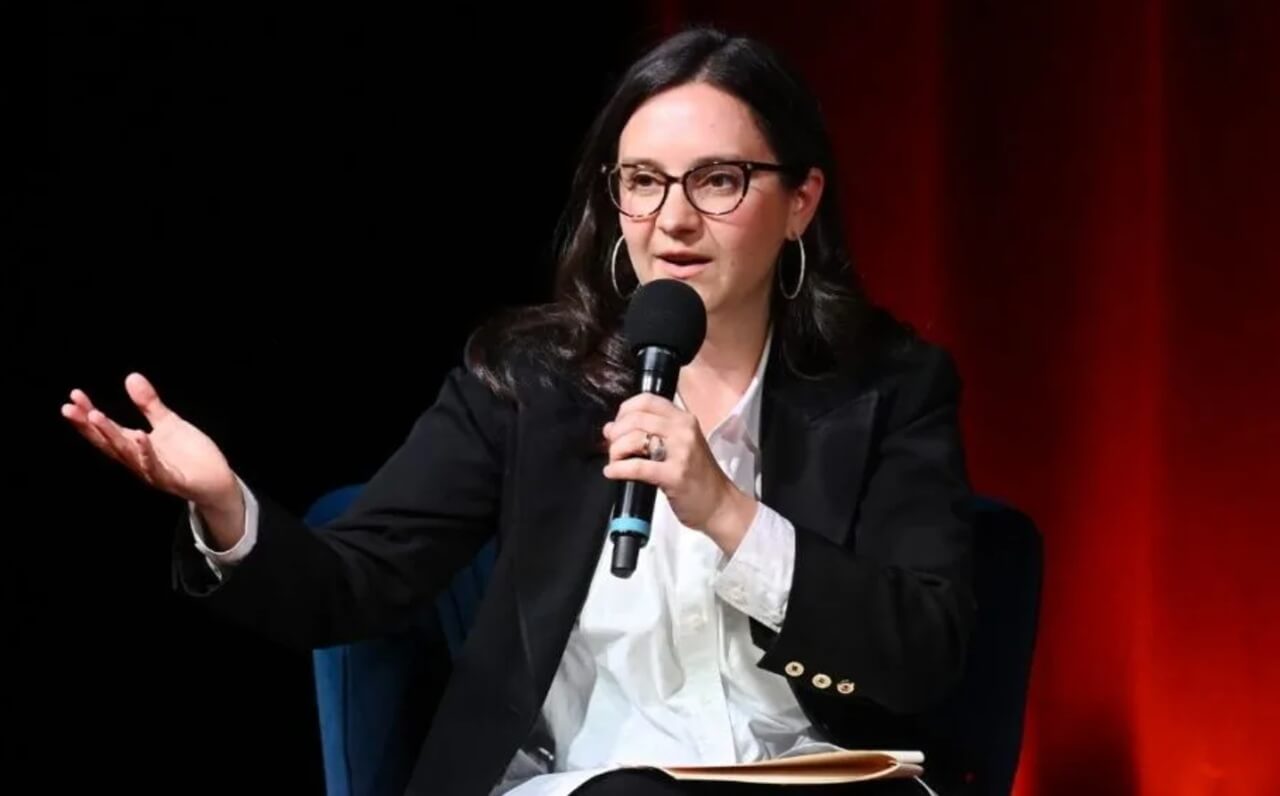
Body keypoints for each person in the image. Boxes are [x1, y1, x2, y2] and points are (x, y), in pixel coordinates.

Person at [61, 26, 975, 796]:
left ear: (798, 202)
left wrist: (728, 515)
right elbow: (354, 582)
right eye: (644, 181)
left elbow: (924, 651)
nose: (674, 219)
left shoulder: (888, 387)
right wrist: (226, 507)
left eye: (719, 181)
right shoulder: (533, 382)